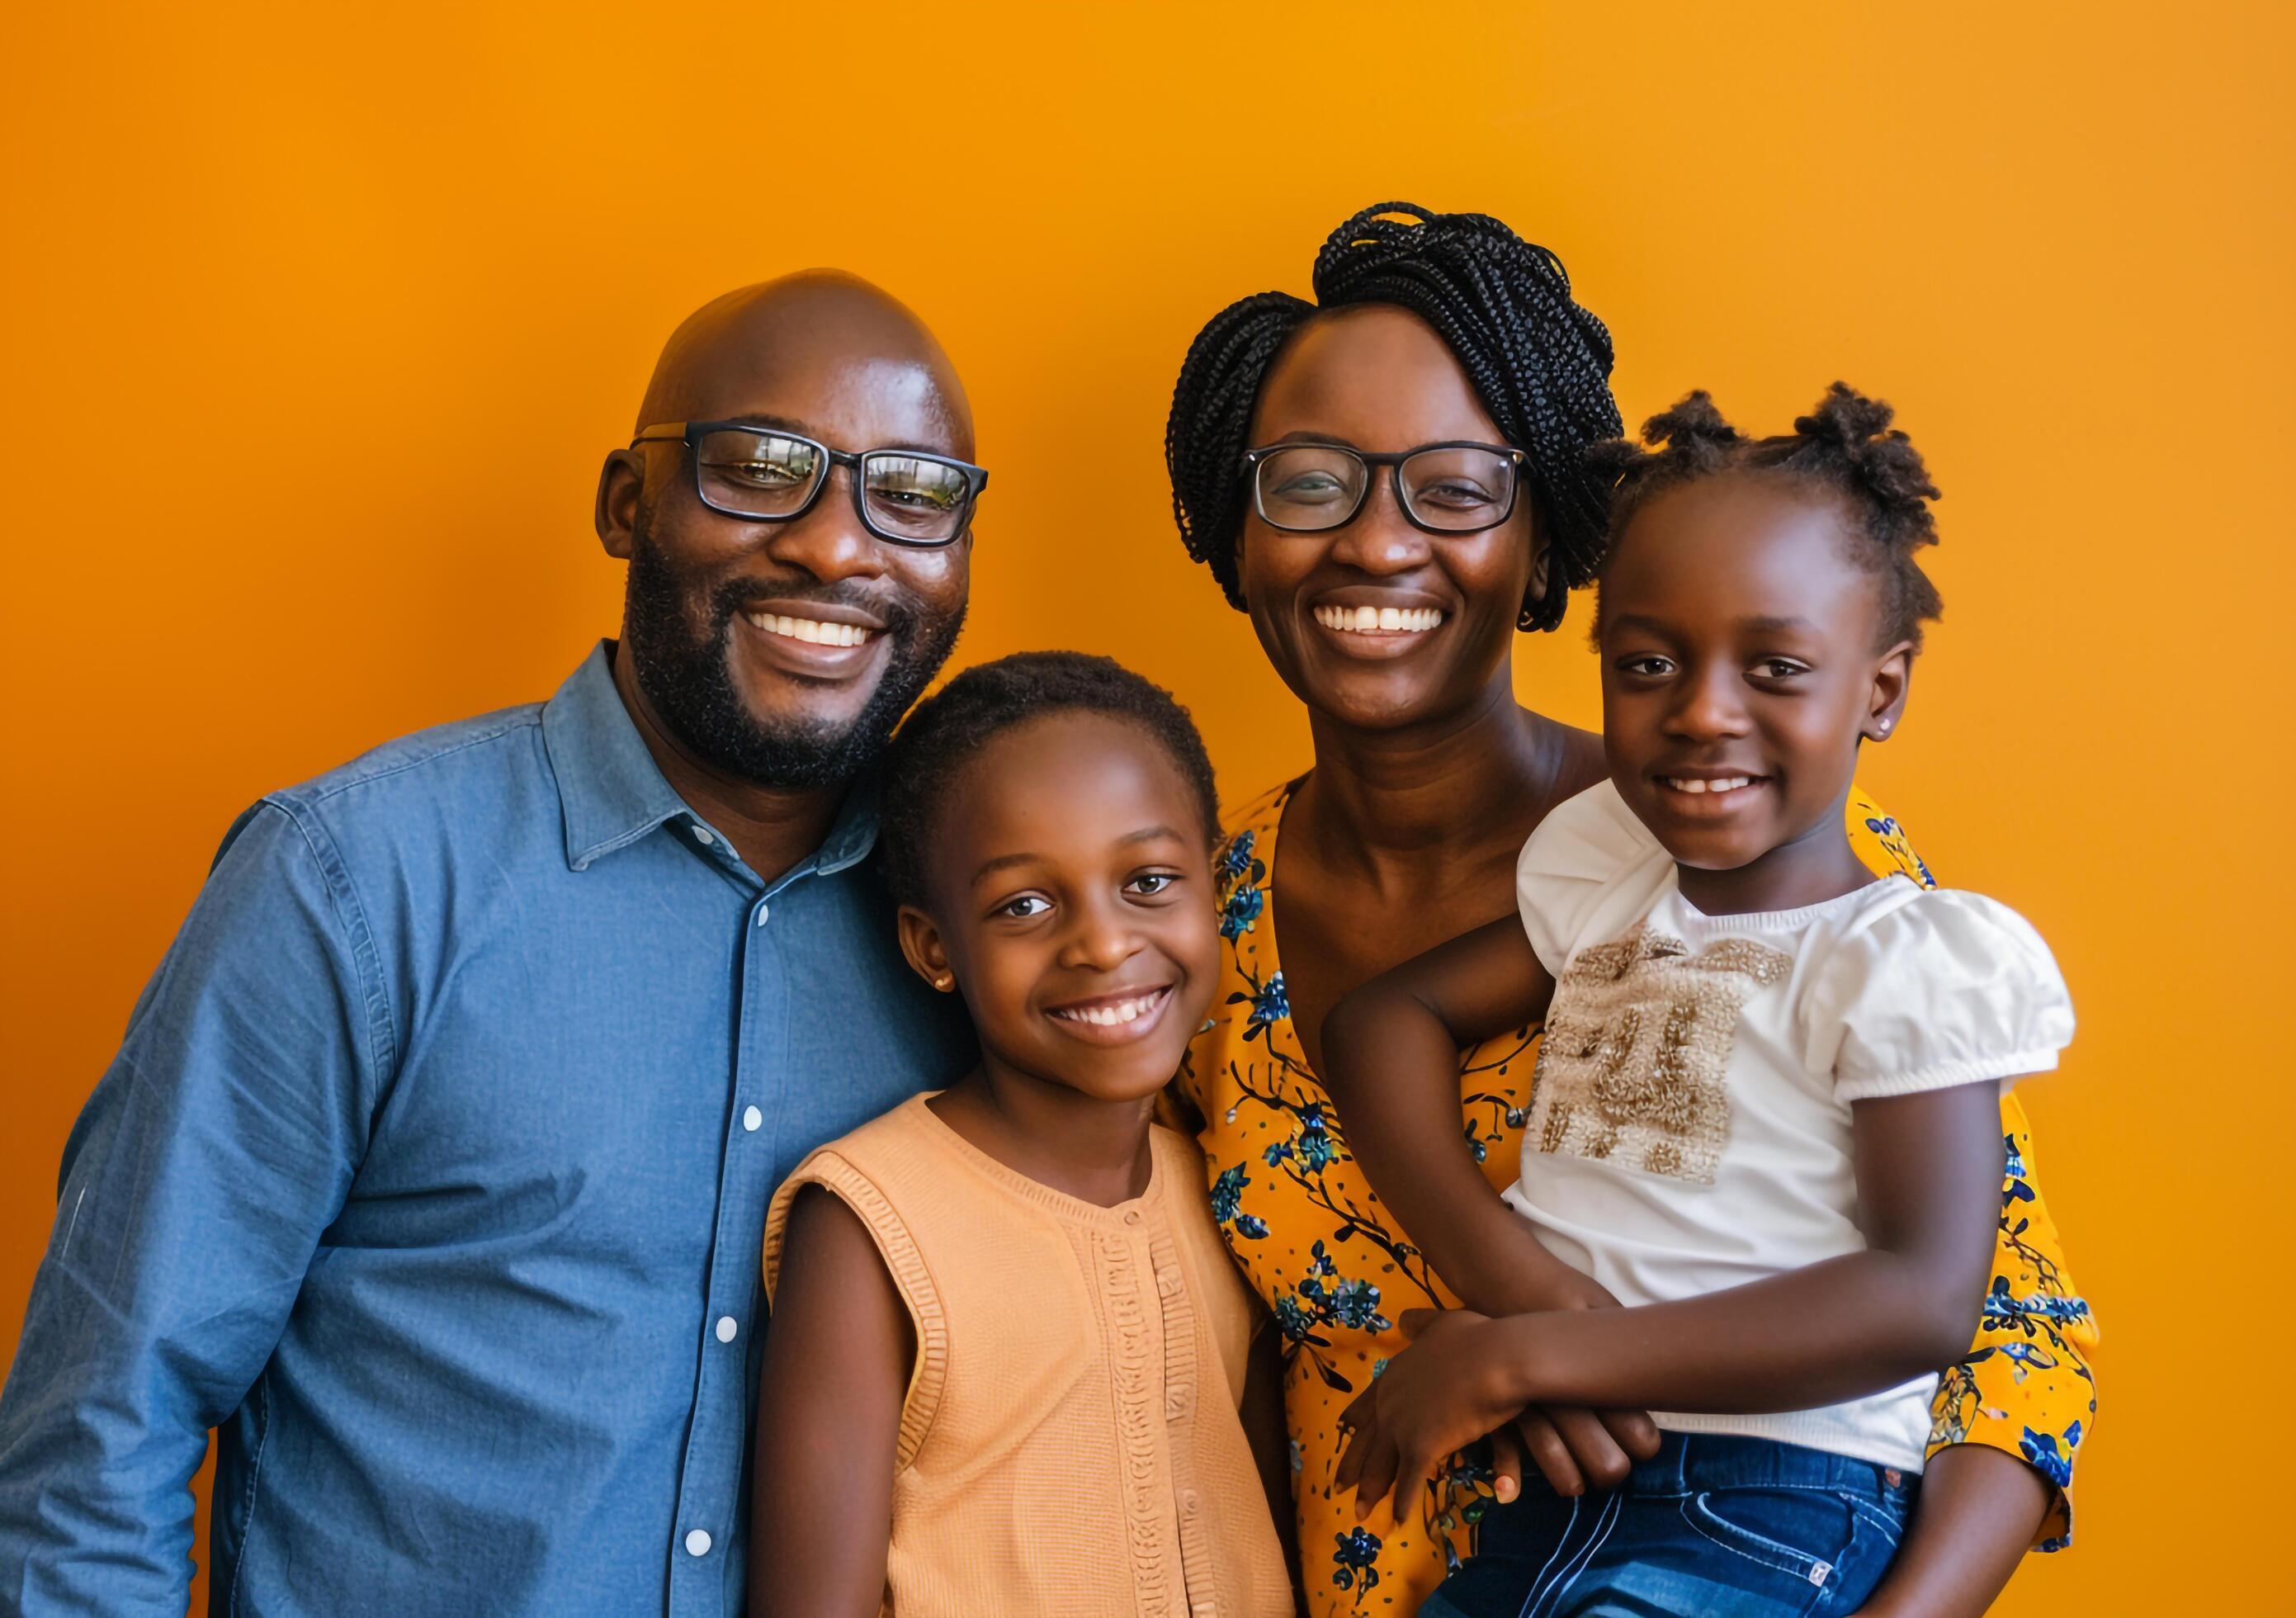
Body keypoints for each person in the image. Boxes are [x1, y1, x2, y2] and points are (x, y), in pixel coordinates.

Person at [0, 272, 983, 1615]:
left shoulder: (997, 924)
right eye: (760, 469)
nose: (837, 546)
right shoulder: (355, 879)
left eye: (915, 493)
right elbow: (99, 1440)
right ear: (625, 505)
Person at [1164, 203, 2098, 1616]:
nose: (1375, 541)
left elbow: (2012, 1341)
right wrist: (1536, 1312)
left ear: (1549, 536)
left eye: (1457, 485)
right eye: (1308, 483)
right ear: (1238, 529)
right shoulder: (1185, 926)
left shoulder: (1757, 861)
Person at [1325, 385, 2073, 1616]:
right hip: (1540, 1495)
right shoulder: (1609, 885)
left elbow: (1925, 1297)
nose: (1702, 711)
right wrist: (1527, 1296)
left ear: (1880, 692)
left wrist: (1528, 1353)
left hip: (1774, 1494)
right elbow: (1380, 1024)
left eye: (1775, 667)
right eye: (1648, 663)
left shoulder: (1904, 959)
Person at [750, 652, 1295, 1617]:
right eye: (1025, 905)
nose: (1102, 943)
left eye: (1151, 880)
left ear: (1216, 887)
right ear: (933, 947)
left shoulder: (1224, 1191)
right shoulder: (871, 1221)